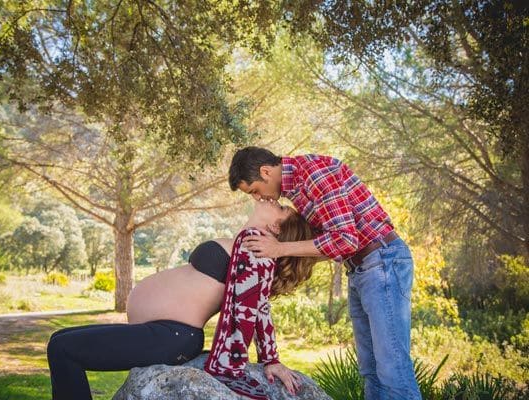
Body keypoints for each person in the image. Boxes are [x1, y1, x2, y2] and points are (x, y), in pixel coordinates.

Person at [46, 199, 317, 400]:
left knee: (64, 350)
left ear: (276, 228)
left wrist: (271, 359)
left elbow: (257, 307)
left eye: (282, 208)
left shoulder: (256, 249)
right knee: (59, 340)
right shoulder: (246, 243)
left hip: (171, 336)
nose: (274, 200)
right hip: (163, 331)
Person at [229, 146, 421, 400]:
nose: (259, 198)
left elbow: (345, 239)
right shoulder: (298, 188)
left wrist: (279, 248)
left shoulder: (312, 174)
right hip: (362, 268)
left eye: (254, 190)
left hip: (382, 263)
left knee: (392, 367)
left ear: (266, 172)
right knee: (371, 369)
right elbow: (335, 243)